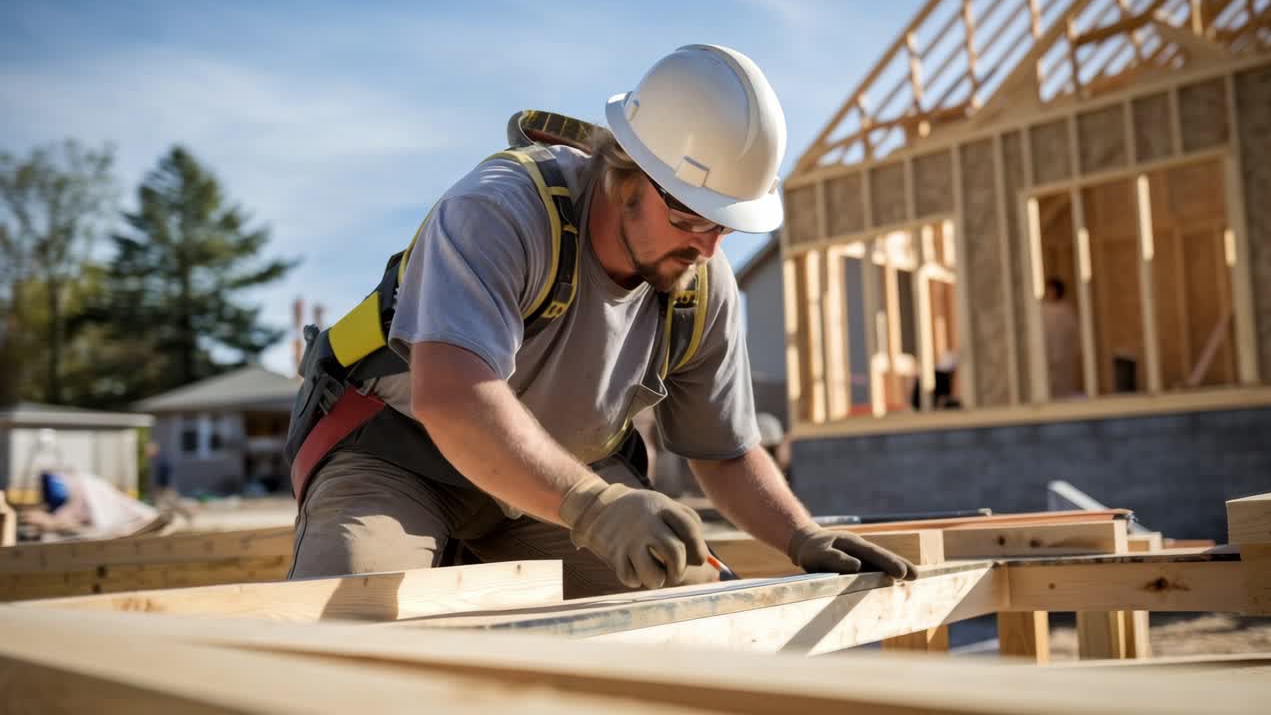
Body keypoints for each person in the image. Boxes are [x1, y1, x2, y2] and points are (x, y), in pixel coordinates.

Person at [286, 44, 917, 597]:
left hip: (558, 478)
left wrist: (801, 537)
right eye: (693, 218)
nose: (708, 247)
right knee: (356, 615)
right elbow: (453, 396)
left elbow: (723, 450)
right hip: (400, 456)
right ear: (625, 179)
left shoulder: (699, 279)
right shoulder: (499, 212)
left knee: (693, 614)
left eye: (724, 224)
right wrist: (595, 506)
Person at [1042, 277, 1082, 399]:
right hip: (1046, 352)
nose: (1050, 293)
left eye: (1052, 290)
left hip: (1064, 353)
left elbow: (1074, 331)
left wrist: (1076, 349)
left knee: (1064, 381)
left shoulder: (1066, 310)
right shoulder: (1042, 309)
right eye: (1048, 290)